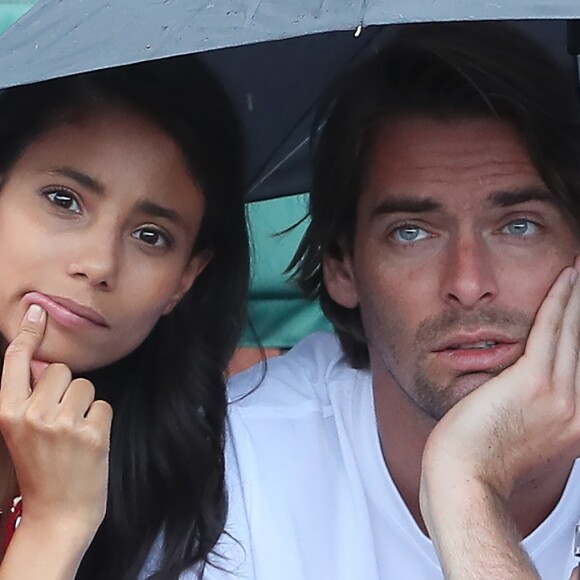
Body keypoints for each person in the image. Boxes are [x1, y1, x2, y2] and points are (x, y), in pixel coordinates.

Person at [220, 21, 580, 579]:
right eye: (412, 232)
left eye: (519, 226)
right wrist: (468, 480)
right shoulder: (239, 458)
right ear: (342, 266)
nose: (467, 281)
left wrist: (465, 491)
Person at [0, 57, 248, 579]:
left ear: (185, 279)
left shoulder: (184, 473)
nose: (97, 265)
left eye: (150, 235)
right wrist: (55, 525)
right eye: (64, 200)